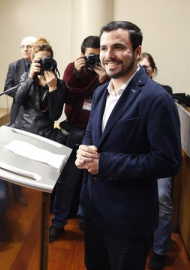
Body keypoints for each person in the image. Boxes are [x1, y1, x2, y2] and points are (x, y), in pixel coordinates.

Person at [76, 21, 181, 270]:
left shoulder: (156, 98)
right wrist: (84, 150)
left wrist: (105, 164)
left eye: (118, 47)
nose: (108, 55)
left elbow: (168, 161)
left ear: (136, 51)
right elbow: (92, 134)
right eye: (103, 48)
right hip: (94, 213)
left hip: (128, 220)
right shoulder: (101, 92)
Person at [49, 36, 109, 242]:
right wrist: (77, 72)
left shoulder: (107, 71)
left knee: (90, 182)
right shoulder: (71, 69)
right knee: (67, 182)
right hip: (74, 132)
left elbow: (111, 102)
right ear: (82, 54)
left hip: (96, 135)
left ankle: (85, 219)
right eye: (90, 55)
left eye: (97, 55)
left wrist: (103, 81)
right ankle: (58, 222)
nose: (94, 59)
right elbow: (69, 95)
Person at [139, 52, 173, 270]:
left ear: (153, 70)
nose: (143, 71)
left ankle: (160, 250)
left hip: (158, 158)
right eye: (139, 67)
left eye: (147, 67)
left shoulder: (164, 93)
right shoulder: (125, 92)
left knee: (162, 197)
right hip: (136, 157)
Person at [11, 38, 67, 145]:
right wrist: (30, 77)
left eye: (46, 60)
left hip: (45, 134)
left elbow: (54, 116)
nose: (43, 63)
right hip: (23, 130)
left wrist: (53, 89)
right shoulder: (26, 77)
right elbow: (18, 100)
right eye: (39, 60)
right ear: (32, 61)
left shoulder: (59, 84)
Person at [3, 36, 37, 206]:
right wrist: (22, 94)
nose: (25, 49)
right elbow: (7, 89)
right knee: (16, 156)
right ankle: (16, 192)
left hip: (36, 117)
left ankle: (34, 189)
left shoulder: (43, 63)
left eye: (29, 46)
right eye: (22, 46)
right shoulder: (14, 66)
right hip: (18, 114)